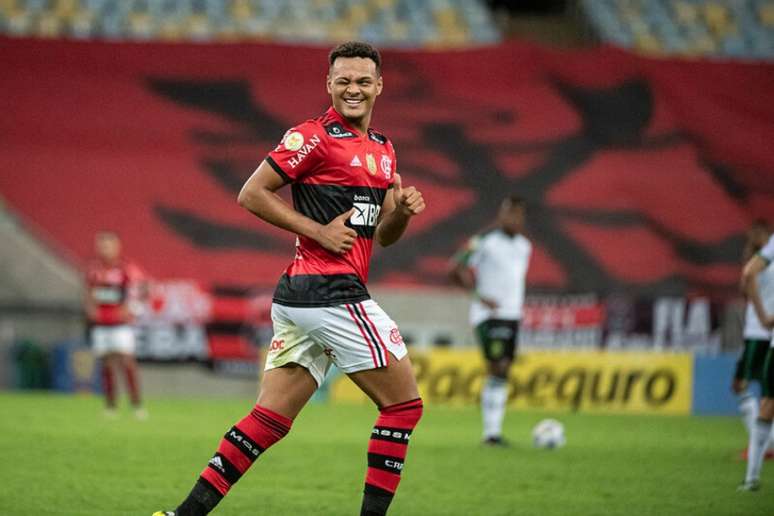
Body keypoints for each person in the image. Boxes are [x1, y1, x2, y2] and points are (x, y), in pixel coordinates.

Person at [154, 41, 425, 516]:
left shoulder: (383, 151)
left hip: (305, 299)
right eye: (343, 80)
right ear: (328, 84)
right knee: (404, 407)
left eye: (363, 81)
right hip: (329, 292)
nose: (353, 89)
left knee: (270, 419)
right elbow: (252, 193)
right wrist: (317, 230)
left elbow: (384, 236)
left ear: (379, 86)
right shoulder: (313, 137)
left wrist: (399, 212)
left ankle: (182, 514)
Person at [449, 196, 531, 445]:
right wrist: (478, 296)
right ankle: (491, 432)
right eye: (509, 214)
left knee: (503, 370)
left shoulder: (525, 246)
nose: (514, 220)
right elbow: (455, 267)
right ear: (501, 215)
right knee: (498, 366)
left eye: (518, 215)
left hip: (512, 315)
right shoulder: (485, 241)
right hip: (489, 316)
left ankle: (493, 431)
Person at [85, 230, 147, 419]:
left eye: (108, 244)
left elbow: (143, 288)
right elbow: (89, 293)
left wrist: (131, 308)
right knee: (107, 365)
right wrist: (90, 309)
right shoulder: (94, 269)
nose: (105, 249)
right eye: (101, 245)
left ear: (117, 246)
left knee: (127, 362)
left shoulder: (126, 269)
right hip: (101, 324)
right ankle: (111, 406)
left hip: (121, 324)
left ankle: (137, 406)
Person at [732, 220, 774, 460]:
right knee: (766, 394)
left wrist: (761, 315)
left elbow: (744, 286)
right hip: (762, 332)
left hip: (759, 332)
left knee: (743, 386)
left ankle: (760, 445)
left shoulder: (760, 263)